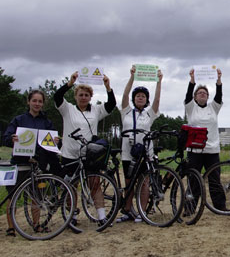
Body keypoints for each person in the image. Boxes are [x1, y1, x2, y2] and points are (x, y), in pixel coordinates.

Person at [54, 71, 116, 225]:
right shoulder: (67, 109)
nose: (83, 97)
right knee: (71, 187)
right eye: (80, 95)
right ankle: (72, 217)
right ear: (76, 96)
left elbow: (111, 105)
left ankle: (102, 217)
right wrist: (70, 83)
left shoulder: (96, 110)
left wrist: (108, 87)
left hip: (90, 155)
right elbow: (57, 97)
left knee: (94, 184)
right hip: (70, 153)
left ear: (90, 97)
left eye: (86, 95)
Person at [2, 90, 61, 237]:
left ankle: (36, 225)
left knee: (37, 196)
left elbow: (52, 143)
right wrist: (12, 139)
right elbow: (6, 138)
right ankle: (11, 227)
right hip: (20, 162)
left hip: (37, 163)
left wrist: (56, 141)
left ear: (43, 104)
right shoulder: (19, 120)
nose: (37, 104)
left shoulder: (46, 122)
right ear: (28, 102)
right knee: (13, 196)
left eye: (40, 101)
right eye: (34, 100)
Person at [116, 66, 162, 223]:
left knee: (144, 183)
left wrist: (159, 81)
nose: (140, 98)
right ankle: (128, 211)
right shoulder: (126, 111)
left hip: (145, 153)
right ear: (134, 99)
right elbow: (124, 94)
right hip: (128, 152)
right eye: (138, 96)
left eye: (143, 96)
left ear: (146, 99)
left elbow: (157, 100)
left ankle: (142, 212)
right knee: (129, 183)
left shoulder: (150, 113)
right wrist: (132, 77)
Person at [184, 68, 226, 211]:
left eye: (205, 93)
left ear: (208, 97)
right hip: (194, 151)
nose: (202, 94)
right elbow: (187, 96)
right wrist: (192, 80)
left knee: (215, 181)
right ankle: (189, 208)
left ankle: (220, 207)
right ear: (195, 97)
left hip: (212, 151)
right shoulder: (191, 108)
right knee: (194, 181)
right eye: (199, 93)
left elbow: (219, 95)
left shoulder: (213, 108)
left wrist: (218, 80)